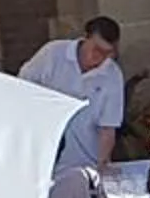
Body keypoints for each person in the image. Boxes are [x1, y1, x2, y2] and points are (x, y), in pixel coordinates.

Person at [19, 18, 127, 175]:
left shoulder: (112, 75)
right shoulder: (53, 54)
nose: (99, 56)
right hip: (44, 160)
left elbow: (108, 127)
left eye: (106, 53)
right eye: (96, 49)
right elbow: (22, 87)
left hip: (85, 164)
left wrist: (102, 164)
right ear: (85, 38)